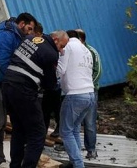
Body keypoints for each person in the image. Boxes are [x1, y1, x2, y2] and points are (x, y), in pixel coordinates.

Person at [0, 12, 38, 168]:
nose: (30, 33)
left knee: (1, 122)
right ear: (21, 24)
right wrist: (16, 80)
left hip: (1, 81)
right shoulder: (5, 35)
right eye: (29, 28)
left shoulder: (17, 36)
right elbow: (4, 62)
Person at [2, 30, 68, 168]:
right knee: (38, 134)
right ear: (55, 39)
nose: (62, 51)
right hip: (24, 90)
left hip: (8, 84)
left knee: (18, 130)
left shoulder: (30, 39)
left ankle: (14, 165)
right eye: (62, 46)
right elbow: (49, 84)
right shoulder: (51, 54)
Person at [57, 30, 95, 168]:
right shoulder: (86, 50)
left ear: (66, 38)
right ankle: (75, 162)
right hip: (90, 94)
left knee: (65, 131)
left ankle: (78, 165)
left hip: (75, 94)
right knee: (74, 129)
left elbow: (60, 70)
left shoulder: (68, 47)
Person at [76, 28, 102, 159]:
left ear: (81, 39)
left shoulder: (91, 52)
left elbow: (97, 72)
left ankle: (91, 149)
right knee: (72, 121)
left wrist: (87, 86)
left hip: (89, 91)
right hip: (75, 92)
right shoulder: (73, 51)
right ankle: (73, 147)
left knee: (89, 122)